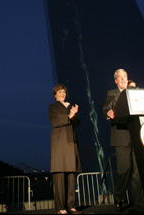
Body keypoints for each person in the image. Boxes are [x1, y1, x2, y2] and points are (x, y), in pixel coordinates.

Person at [102, 69, 144, 212]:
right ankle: (119, 197)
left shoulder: (135, 93)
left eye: (125, 77)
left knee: (137, 172)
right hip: (121, 136)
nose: (122, 79)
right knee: (124, 170)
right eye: (119, 78)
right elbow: (106, 108)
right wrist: (108, 113)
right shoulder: (111, 93)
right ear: (116, 81)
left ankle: (138, 202)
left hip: (137, 136)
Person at [49, 84, 83, 214]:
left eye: (64, 92)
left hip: (70, 143)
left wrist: (73, 114)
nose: (62, 94)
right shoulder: (52, 107)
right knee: (59, 176)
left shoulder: (69, 106)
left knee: (70, 175)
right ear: (55, 95)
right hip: (59, 144)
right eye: (60, 92)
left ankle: (71, 206)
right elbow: (55, 122)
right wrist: (69, 115)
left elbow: (78, 123)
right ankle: (61, 208)